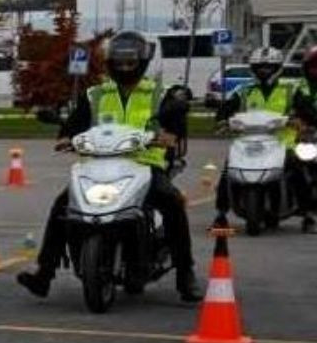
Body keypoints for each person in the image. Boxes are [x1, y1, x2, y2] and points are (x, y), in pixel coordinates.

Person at [17, 30, 203, 302]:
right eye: (119, 62)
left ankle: (185, 273)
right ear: (110, 63)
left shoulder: (160, 95)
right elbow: (75, 124)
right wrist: (66, 137)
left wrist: (170, 135)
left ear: (142, 62)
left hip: (144, 164)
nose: (124, 68)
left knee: (171, 201)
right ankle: (44, 273)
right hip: (97, 165)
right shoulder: (95, 94)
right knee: (62, 206)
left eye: (130, 62)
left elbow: (175, 125)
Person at [213, 46, 311, 232]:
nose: (264, 71)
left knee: (297, 168)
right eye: (259, 67)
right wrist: (222, 121)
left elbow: (307, 109)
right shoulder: (244, 91)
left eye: (269, 67)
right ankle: (221, 213)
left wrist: (302, 119)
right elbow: (226, 109)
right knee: (228, 169)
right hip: (249, 141)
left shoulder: (290, 90)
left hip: (283, 143)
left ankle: (308, 215)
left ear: (278, 68)